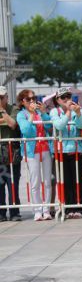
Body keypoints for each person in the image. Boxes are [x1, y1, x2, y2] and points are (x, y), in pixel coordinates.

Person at [49, 87, 82, 219]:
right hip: (61, 152)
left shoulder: (77, 109)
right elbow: (59, 125)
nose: (66, 100)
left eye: (68, 96)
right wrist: (68, 113)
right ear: (57, 100)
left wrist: (78, 113)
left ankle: (79, 208)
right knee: (66, 181)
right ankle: (69, 207)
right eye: (63, 97)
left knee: (77, 180)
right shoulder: (55, 111)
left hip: (77, 151)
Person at [16, 89, 53, 221]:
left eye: (34, 98)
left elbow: (50, 127)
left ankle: (47, 209)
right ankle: (37, 210)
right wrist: (31, 114)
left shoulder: (39, 112)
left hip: (45, 148)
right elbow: (26, 131)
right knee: (35, 182)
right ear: (22, 102)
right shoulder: (21, 114)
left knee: (48, 181)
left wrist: (43, 113)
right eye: (28, 99)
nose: (32, 101)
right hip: (32, 151)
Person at [0, 86, 21, 221]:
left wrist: (2, 112)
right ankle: (1, 213)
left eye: (2, 97)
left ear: (7, 97)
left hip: (11, 151)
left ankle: (14, 212)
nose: (0, 100)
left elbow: (13, 124)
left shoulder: (14, 109)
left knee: (12, 182)